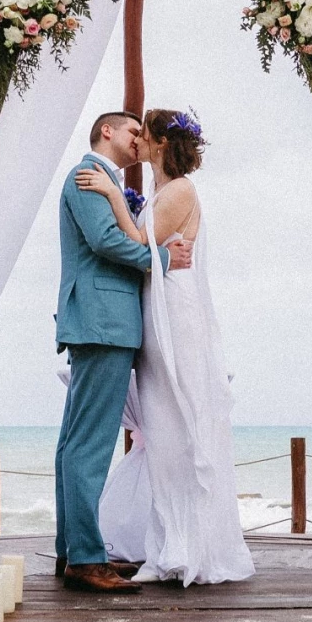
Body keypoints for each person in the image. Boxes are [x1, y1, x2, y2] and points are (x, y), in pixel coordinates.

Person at [80, 109, 255, 585]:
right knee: (162, 428)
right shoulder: (162, 191)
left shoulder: (179, 191)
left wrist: (116, 198)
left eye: (143, 133)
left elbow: (140, 239)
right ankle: (171, 540)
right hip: (155, 312)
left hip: (174, 316)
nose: (135, 140)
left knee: (178, 424)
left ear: (159, 142)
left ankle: (189, 546)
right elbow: (148, 246)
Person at [54, 111, 191, 592]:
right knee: (88, 445)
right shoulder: (87, 176)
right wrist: (166, 258)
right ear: (106, 131)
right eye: (133, 131)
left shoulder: (105, 180)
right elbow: (107, 241)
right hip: (103, 323)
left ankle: (74, 552)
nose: (140, 140)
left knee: (75, 442)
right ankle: (87, 559)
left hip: (101, 321)